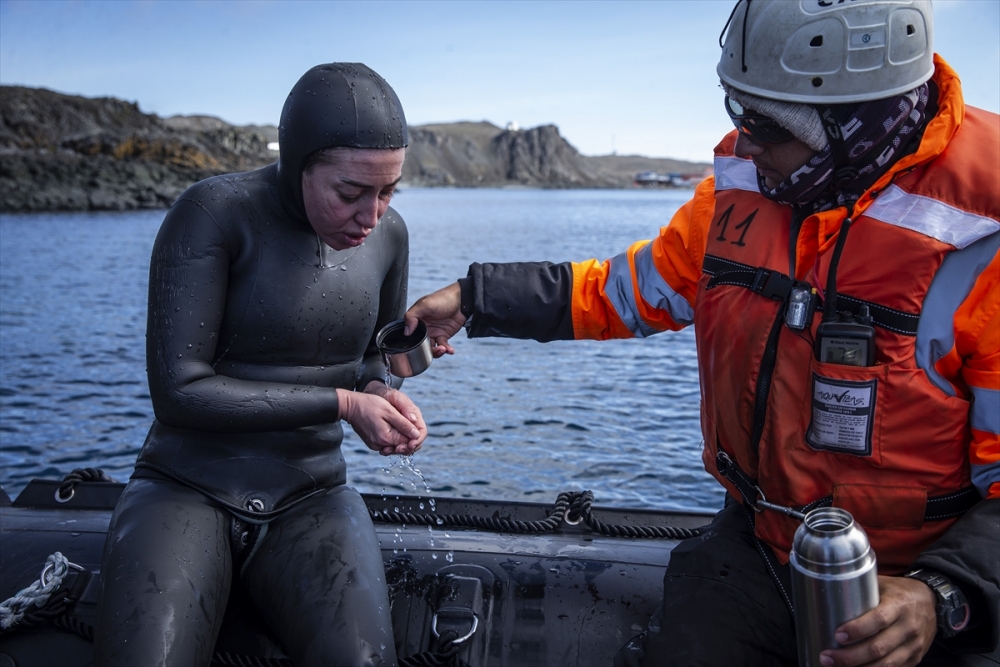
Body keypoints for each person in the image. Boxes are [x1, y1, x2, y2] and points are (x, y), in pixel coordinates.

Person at [405, 2, 999, 665]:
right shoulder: (742, 190)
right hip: (757, 547)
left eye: (766, 124)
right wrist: (474, 298)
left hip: (924, 590)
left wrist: (940, 594)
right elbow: (626, 290)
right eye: (736, 112)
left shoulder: (985, 236)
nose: (744, 144)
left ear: (852, 128)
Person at [95, 63, 426, 667]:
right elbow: (178, 390)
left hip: (312, 491)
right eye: (350, 193)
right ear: (298, 164)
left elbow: (372, 355)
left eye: (388, 192)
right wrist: (347, 405)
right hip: (186, 485)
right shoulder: (213, 214)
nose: (371, 215)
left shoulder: (390, 236)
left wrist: (382, 386)